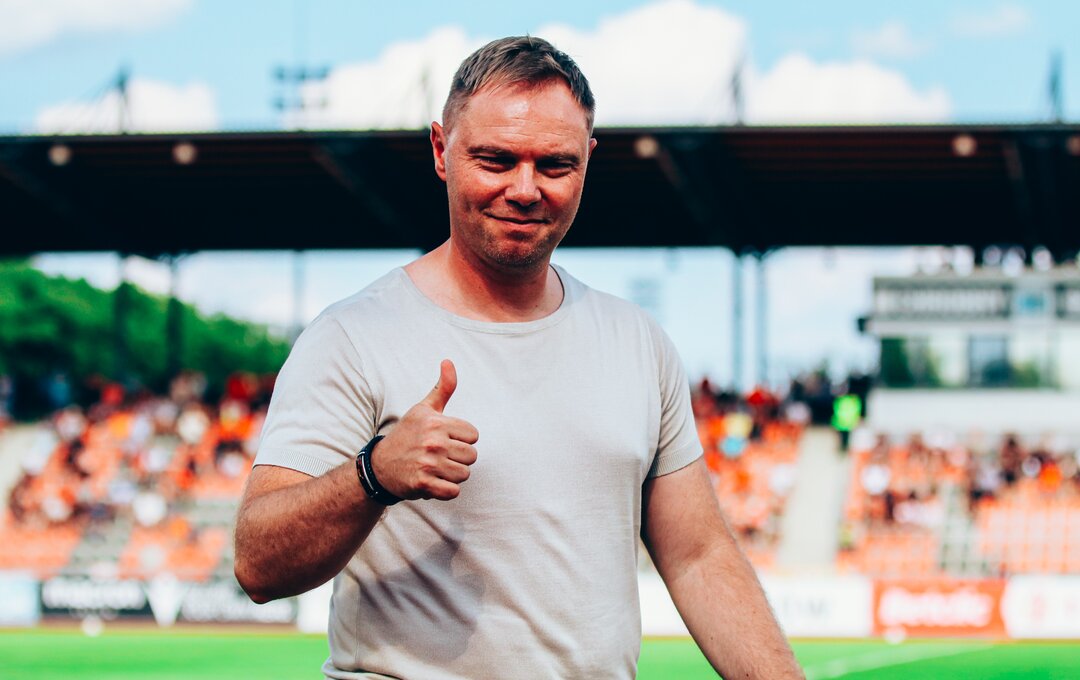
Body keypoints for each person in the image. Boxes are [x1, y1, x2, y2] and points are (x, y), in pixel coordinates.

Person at [234, 36, 802, 680]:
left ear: (588, 161)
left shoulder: (637, 342)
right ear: (441, 150)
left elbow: (699, 557)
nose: (525, 189)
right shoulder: (352, 336)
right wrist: (374, 474)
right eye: (496, 159)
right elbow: (257, 565)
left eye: (555, 165)